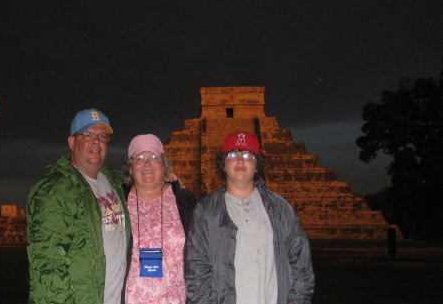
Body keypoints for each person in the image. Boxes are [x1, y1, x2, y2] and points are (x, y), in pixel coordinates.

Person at [185, 132, 315, 304]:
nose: (240, 160)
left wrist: (296, 301)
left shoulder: (279, 207)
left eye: (248, 155)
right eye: (232, 154)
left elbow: (300, 260)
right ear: (223, 164)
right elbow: (196, 268)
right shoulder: (206, 210)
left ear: (257, 166)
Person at [27, 108, 132, 304]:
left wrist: (169, 181)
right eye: (87, 135)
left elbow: (147, 184)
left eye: (102, 136)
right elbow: (48, 267)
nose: (96, 141)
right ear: (72, 142)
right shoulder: (56, 191)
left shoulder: (115, 183)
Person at [123, 134, 198, 304]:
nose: (147, 163)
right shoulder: (118, 201)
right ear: (130, 167)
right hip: (131, 298)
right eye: (139, 158)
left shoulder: (185, 200)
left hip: (178, 298)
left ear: (164, 165)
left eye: (154, 157)